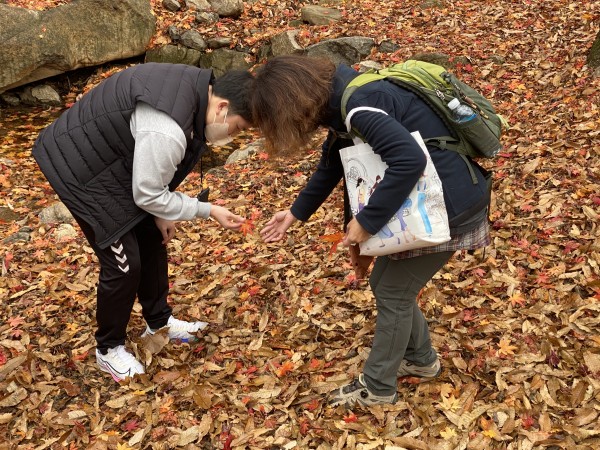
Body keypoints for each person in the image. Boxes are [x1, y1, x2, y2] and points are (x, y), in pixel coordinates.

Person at [251, 55, 491, 407]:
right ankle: (421, 360)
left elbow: (410, 159)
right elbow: (332, 164)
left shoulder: (359, 107)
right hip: (441, 197)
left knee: (394, 291)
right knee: (388, 286)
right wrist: (294, 213)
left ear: (292, 102)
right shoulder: (341, 98)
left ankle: (378, 387)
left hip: (450, 204)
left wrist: (367, 221)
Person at [32, 63, 254, 382]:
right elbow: (148, 193)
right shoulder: (169, 127)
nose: (233, 137)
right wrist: (208, 210)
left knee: (153, 233)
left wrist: (161, 211)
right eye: (236, 128)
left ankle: (159, 321)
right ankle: (108, 350)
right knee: (124, 265)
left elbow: (151, 186)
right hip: (79, 168)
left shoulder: (194, 93)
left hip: (112, 159)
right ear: (222, 107)